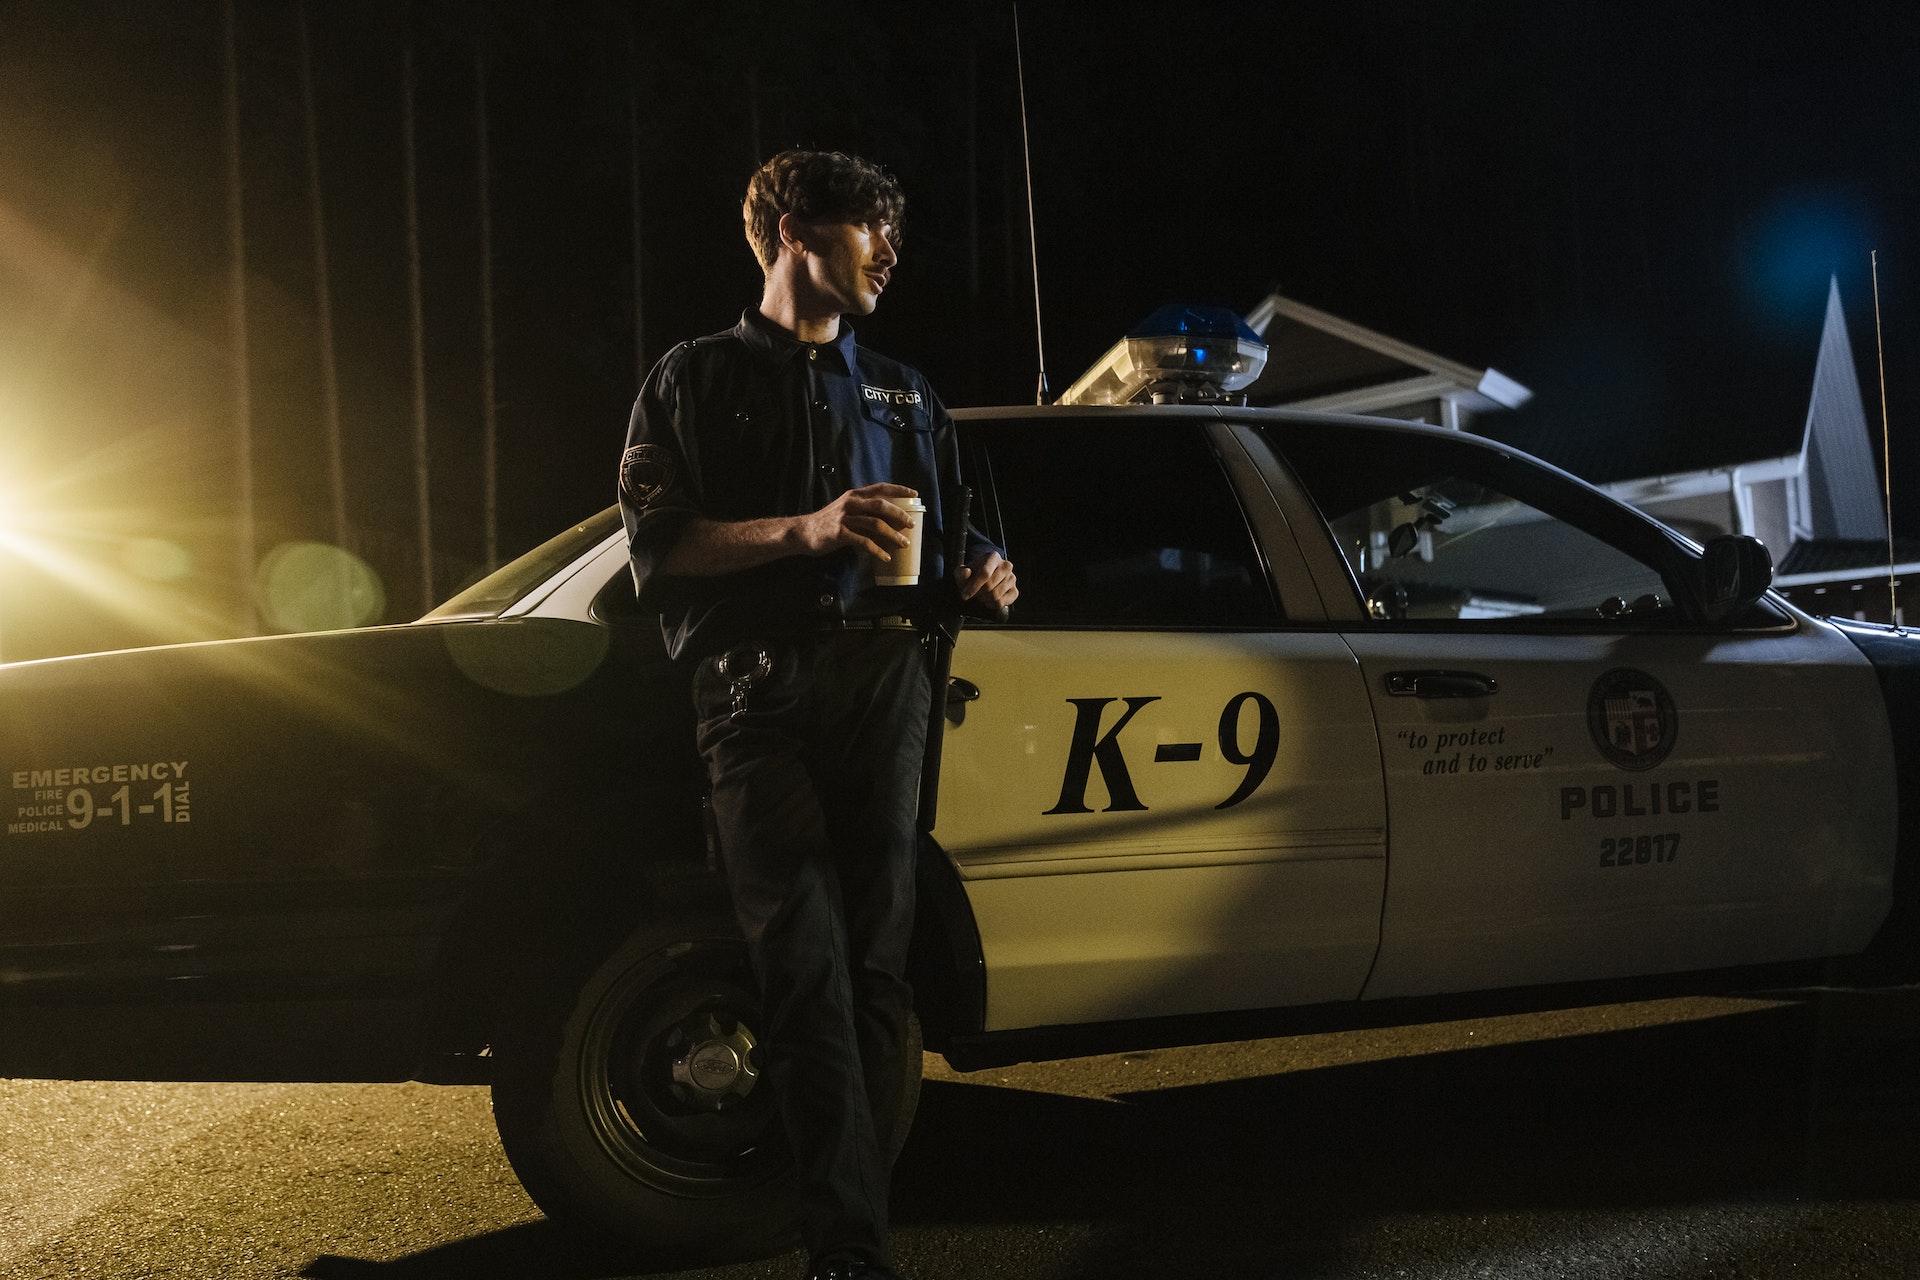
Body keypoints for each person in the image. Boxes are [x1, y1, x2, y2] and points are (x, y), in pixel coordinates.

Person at [618, 150, 1017, 1280]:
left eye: (892, 235)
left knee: (879, 968)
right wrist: (806, 528)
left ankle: (856, 1229)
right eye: (866, 231)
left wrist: (987, 570)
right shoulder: (691, 379)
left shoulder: (905, 389)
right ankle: (848, 1247)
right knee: (802, 963)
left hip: (887, 681)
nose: (889, 254)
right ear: (796, 232)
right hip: (755, 692)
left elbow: (967, 533)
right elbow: (662, 547)